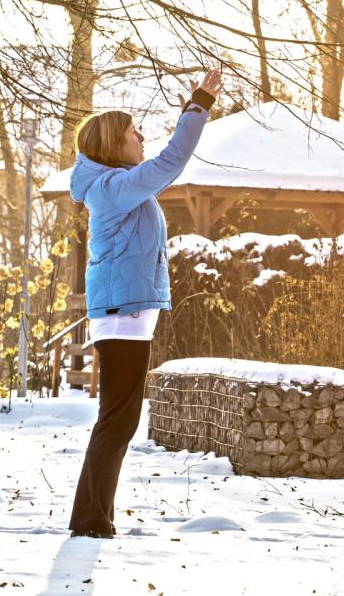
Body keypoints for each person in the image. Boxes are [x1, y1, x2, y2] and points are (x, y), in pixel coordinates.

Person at [66, 69, 223, 538]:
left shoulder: (117, 184)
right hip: (123, 313)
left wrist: (189, 114)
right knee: (118, 419)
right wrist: (198, 106)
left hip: (126, 312)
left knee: (118, 419)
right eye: (135, 132)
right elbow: (171, 162)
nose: (141, 137)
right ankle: (92, 521)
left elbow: (162, 164)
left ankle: (93, 517)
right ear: (116, 143)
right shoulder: (114, 188)